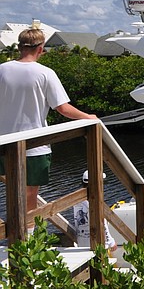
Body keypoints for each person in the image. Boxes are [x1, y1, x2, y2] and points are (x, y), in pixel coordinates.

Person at [0, 27, 97, 214]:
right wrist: (88, 117)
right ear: (40, 48)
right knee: (30, 195)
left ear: (19, 47)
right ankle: (26, 238)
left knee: (12, 191)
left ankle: (14, 235)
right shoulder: (45, 73)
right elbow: (62, 108)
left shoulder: (2, 70)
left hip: (5, 143)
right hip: (35, 145)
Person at [73, 170, 117, 253]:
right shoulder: (94, 202)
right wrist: (111, 242)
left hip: (82, 243)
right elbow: (102, 223)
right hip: (97, 244)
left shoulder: (77, 199)